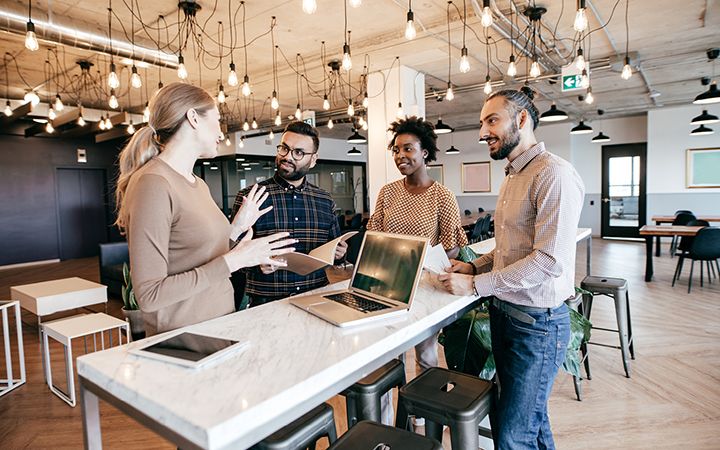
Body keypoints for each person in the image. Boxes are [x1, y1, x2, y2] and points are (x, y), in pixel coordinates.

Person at [438, 87, 585, 449]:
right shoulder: (513, 175)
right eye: (481, 122)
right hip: (507, 316)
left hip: (537, 326)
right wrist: (473, 268)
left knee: (512, 436)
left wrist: (475, 286)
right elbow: (509, 250)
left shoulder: (554, 175)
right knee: (528, 424)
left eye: (492, 120)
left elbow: (548, 261)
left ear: (522, 119)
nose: (483, 131)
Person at [115, 82, 296, 336]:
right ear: (193, 118)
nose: (222, 133)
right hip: (185, 339)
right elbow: (150, 295)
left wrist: (237, 229)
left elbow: (199, 255)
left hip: (219, 326)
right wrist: (235, 260)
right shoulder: (153, 183)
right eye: (217, 120)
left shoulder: (197, 183)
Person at [367, 116, 467, 369]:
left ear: (425, 152)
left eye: (408, 148)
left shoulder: (442, 195)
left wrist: (416, 258)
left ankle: (422, 409)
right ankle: (390, 409)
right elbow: (374, 235)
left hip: (425, 283)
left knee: (425, 353)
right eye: (396, 150)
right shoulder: (387, 192)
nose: (401, 155)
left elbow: (452, 246)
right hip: (387, 282)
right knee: (387, 354)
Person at [231, 121, 347, 306]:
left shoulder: (325, 200)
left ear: (313, 159)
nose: (287, 157)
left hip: (315, 297)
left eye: (298, 152)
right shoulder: (250, 197)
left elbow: (332, 250)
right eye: (284, 148)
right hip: (266, 303)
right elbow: (231, 254)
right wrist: (256, 264)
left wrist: (339, 253)